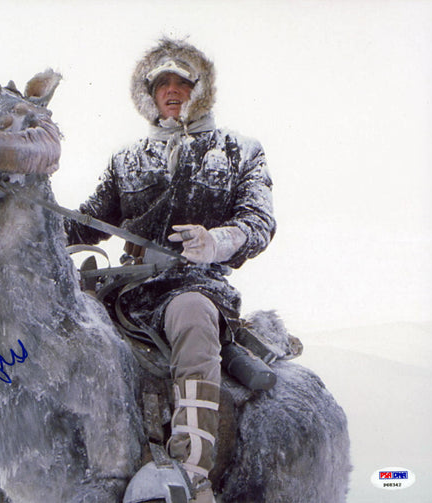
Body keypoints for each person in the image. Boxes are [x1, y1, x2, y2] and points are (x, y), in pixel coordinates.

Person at [66, 38, 276, 503]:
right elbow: (87, 222)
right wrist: (28, 222)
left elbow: (259, 221)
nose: (172, 90)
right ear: (150, 95)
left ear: (201, 90)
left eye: (182, 81)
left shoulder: (240, 151)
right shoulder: (125, 159)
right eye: (162, 83)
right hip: (127, 295)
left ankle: (191, 470)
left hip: (196, 288)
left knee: (192, 315)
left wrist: (216, 241)